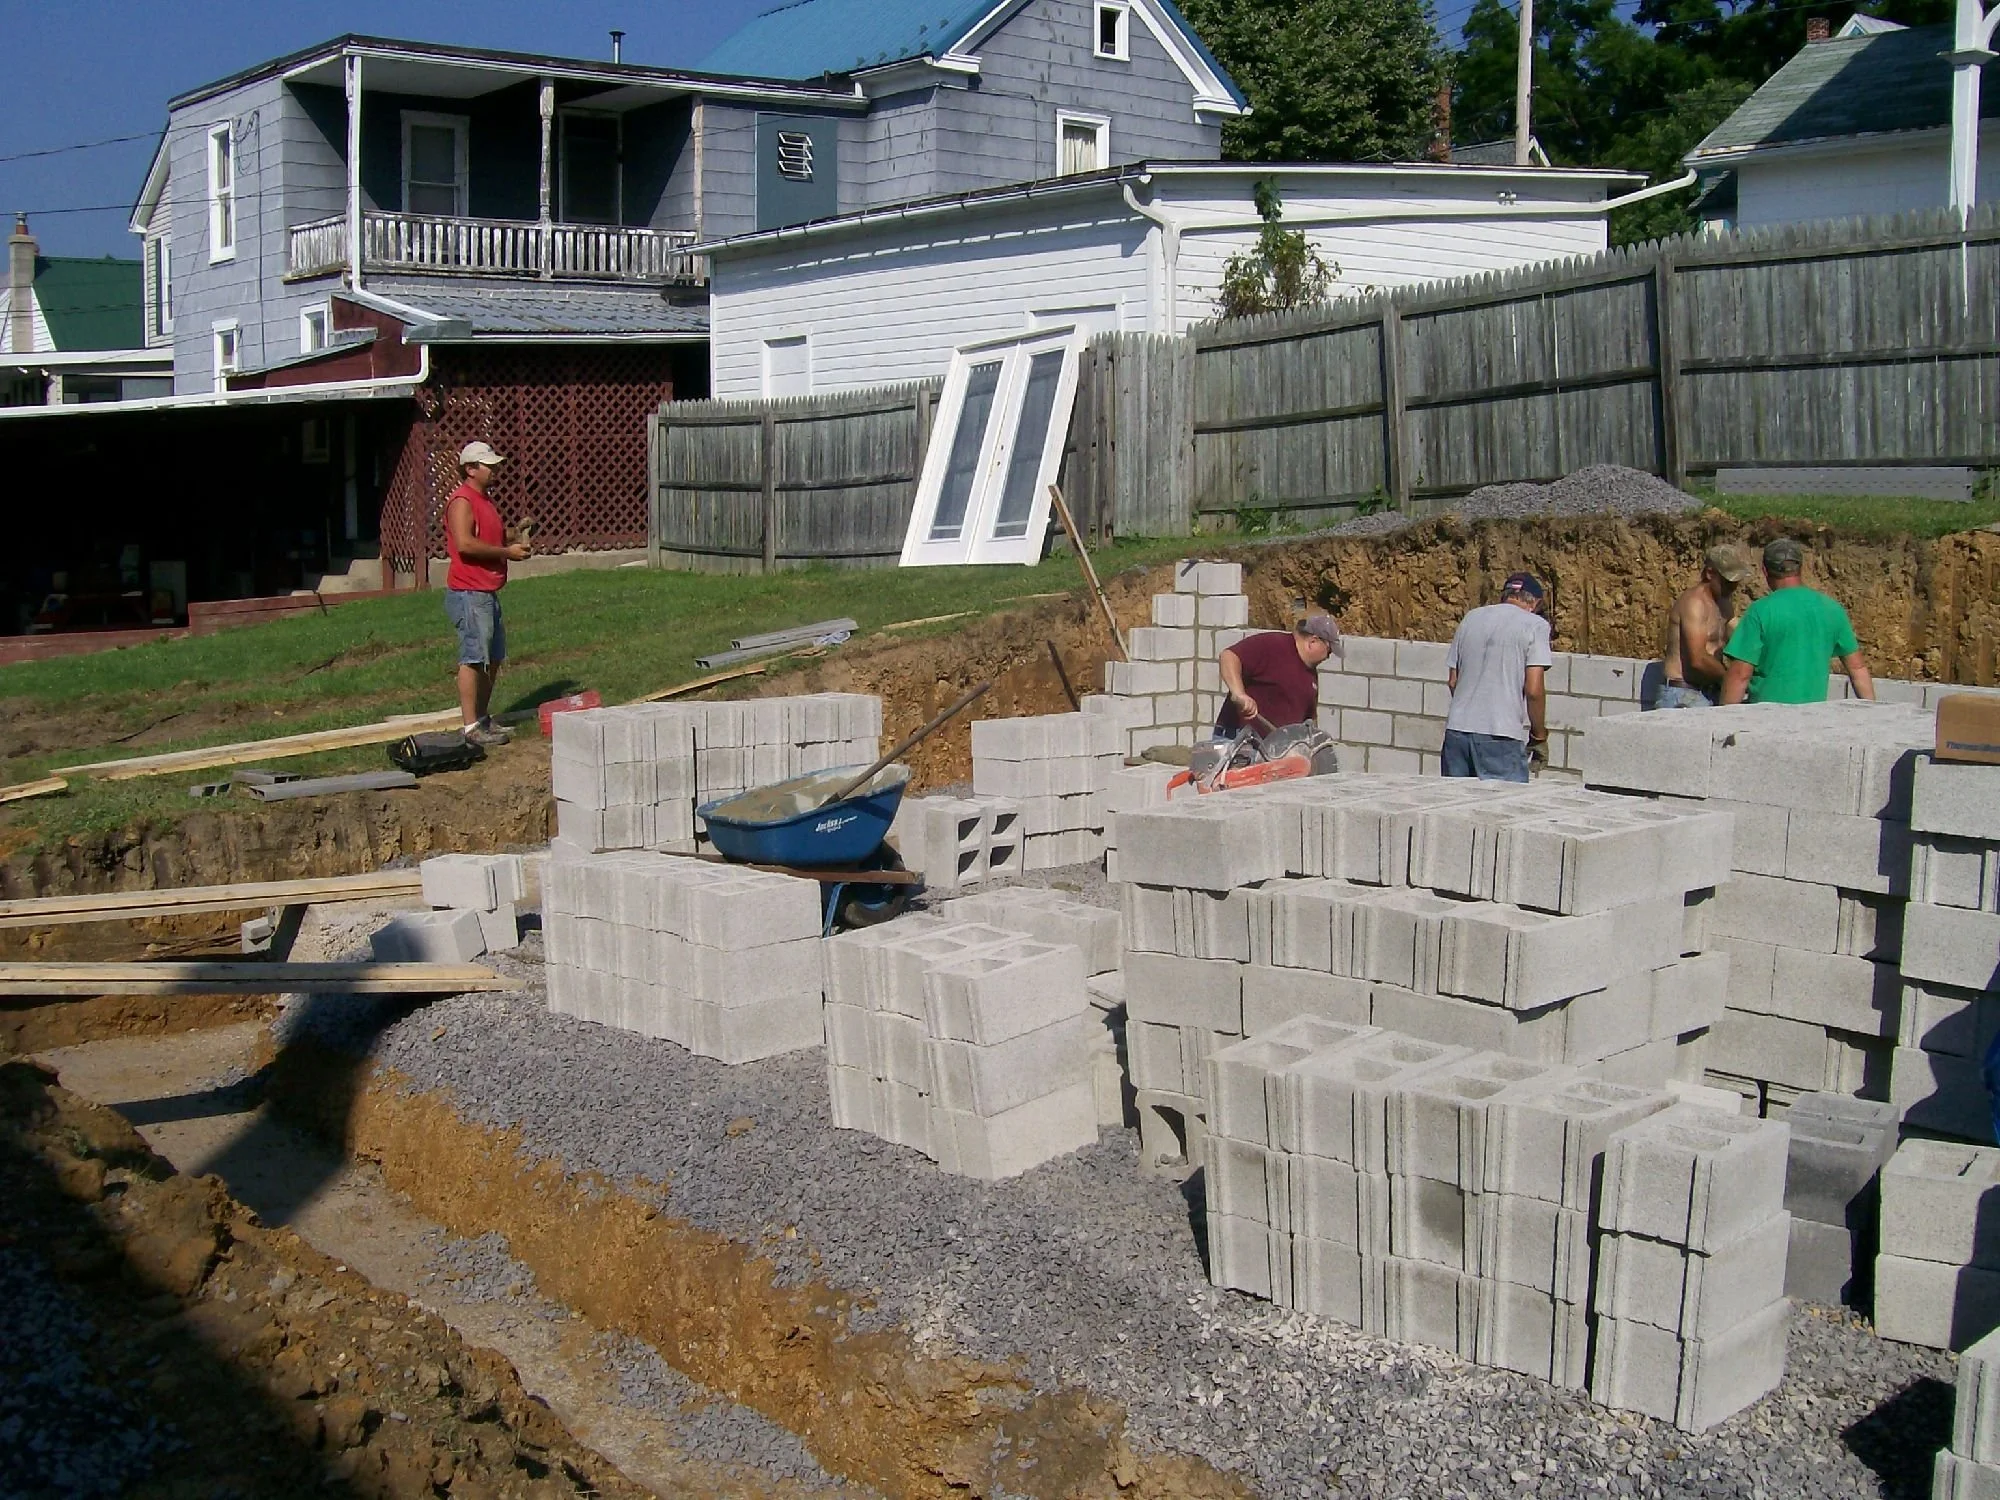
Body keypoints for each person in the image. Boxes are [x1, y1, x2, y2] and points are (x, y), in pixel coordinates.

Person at [444, 440, 532, 747]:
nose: (495, 470)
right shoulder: (462, 501)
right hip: (469, 591)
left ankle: (482, 719)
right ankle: (470, 727)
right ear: (470, 469)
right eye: (489, 465)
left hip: (487, 591)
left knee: (492, 658)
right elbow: (465, 544)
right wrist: (508, 552)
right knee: (473, 658)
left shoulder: (484, 500)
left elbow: (490, 537)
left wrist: (512, 534)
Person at [1720, 538, 1874, 705]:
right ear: (1801, 568)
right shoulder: (1832, 609)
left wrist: (1723, 719)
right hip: (1811, 716)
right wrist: (1873, 712)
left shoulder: (1761, 611)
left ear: (1765, 570)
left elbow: (1740, 675)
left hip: (1767, 719)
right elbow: (1857, 669)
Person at [1442, 572, 1552, 782]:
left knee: (1456, 809)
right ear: (1535, 602)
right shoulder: (1535, 625)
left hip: (1456, 732)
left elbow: (1453, 681)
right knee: (1502, 811)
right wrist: (1539, 736)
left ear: (1506, 595)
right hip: (1500, 735)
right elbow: (1534, 690)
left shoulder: (1471, 618)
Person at [1657, 545, 1754, 708]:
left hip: (1708, 691)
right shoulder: (1695, 603)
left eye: (1736, 581)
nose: (1733, 587)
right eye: (1728, 581)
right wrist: (1730, 678)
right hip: (1683, 695)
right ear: (1710, 573)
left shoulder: (1723, 604)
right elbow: (1698, 659)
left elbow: (1741, 637)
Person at [1217, 615, 1342, 736]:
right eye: (1329, 650)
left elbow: (1309, 720)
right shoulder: (1273, 645)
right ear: (1313, 641)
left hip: (1276, 750)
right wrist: (1239, 694)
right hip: (1240, 740)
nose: (1328, 656)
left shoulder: (1310, 676)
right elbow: (1229, 656)